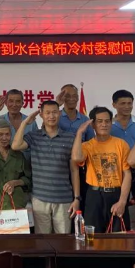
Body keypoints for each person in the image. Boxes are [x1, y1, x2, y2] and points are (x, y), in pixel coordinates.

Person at [12, 101, 80, 234]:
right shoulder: (34, 136)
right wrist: (25, 123)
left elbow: (74, 170)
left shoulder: (70, 137)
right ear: (41, 115)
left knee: (63, 239)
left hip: (63, 199)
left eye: (54, 112)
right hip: (40, 199)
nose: (51, 116)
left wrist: (77, 198)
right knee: (43, 240)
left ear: (59, 114)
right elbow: (16, 145)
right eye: (47, 113)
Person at [71, 107, 131, 233]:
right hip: (94, 196)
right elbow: (76, 158)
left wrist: (122, 201)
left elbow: (127, 174)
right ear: (93, 124)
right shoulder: (87, 146)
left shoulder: (121, 144)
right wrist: (79, 133)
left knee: (119, 237)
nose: (104, 124)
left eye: (107, 121)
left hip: (116, 194)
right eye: (99, 121)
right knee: (92, 236)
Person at [56, 84, 94, 213]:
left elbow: (91, 143)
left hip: (80, 167)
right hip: (60, 166)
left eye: (74, 96)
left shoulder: (85, 120)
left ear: (78, 98)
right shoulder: (56, 116)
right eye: (67, 96)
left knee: (81, 203)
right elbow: (46, 129)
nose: (71, 99)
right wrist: (57, 104)